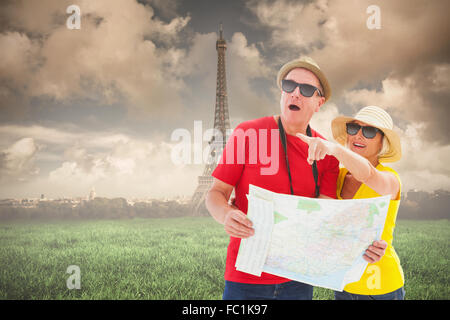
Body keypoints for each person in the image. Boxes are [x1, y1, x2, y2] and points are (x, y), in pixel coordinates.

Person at [205, 56, 340, 300]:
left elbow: (325, 212)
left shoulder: (327, 155)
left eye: (307, 89)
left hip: (298, 278)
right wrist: (226, 215)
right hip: (246, 277)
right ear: (281, 93)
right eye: (289, 86)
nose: (295, 94)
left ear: (319, 102)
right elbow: (216, 193)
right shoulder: (248, 132)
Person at [297, 105, 405, 300]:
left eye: (370, 131)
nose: (358, 136)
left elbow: (368, 174)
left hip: (381, 289)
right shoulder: (336, 176)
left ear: (382, 143)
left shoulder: (390, 179)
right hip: (344, 284)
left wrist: (334, 149)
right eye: (354, 129)